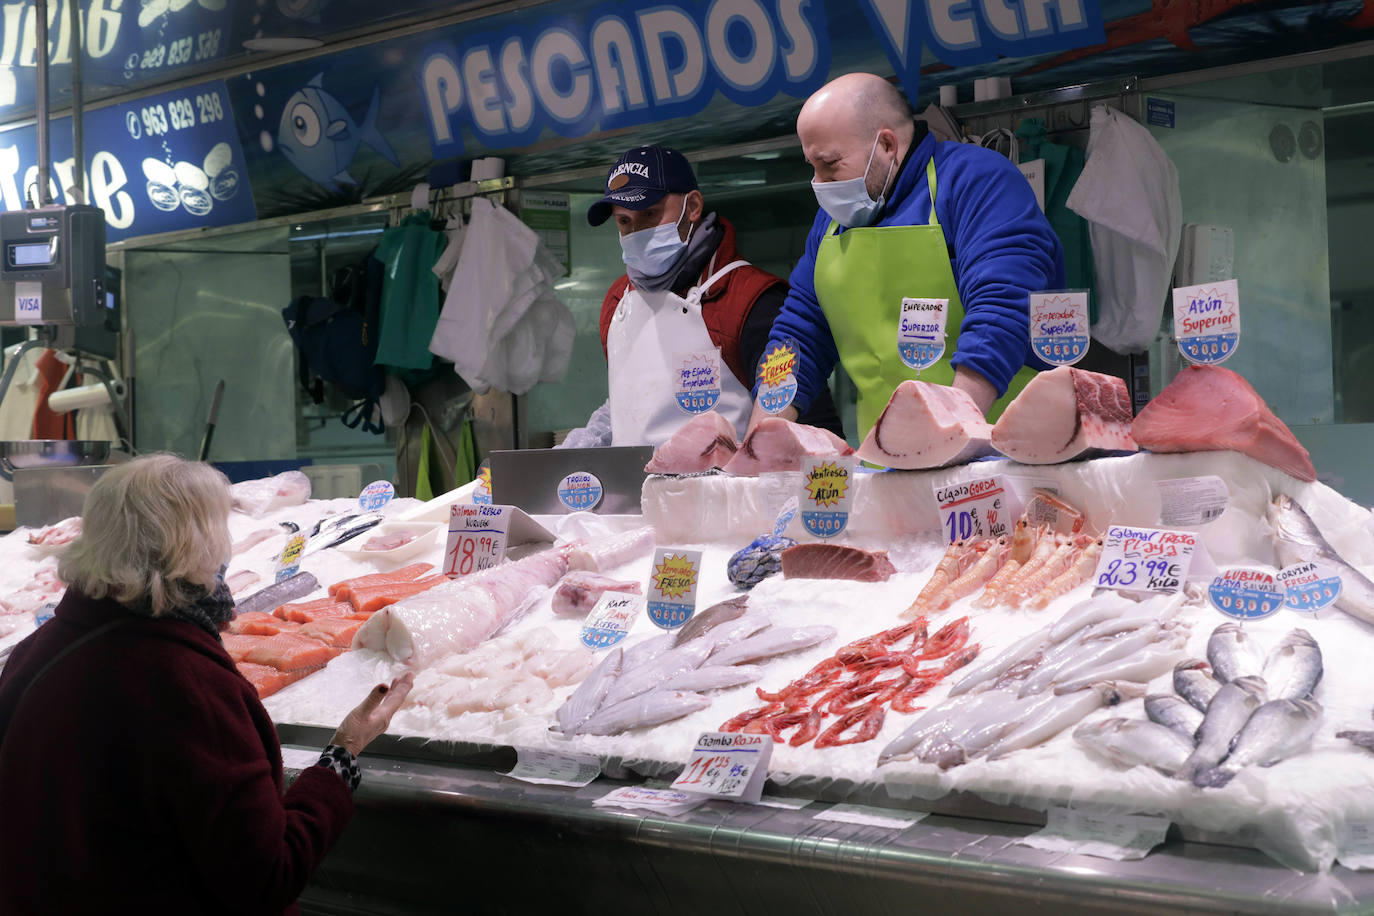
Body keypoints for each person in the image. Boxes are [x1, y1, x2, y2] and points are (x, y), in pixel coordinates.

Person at [0, 454, 414, 914]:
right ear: (191, 546)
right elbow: (266, 875)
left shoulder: (34, 652)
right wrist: (343, 755)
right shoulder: (182, 684)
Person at [751, 72, 1066, 440]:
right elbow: (798, 336)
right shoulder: (830, 222)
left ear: (887, 145)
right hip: (888, 462)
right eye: (813, 168)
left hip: (1001, 450)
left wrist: (949, 437)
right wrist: (758, 443)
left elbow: (1000, 311)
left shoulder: (976, 181)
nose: (819, 184)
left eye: (831, 164)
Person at [560, 144, 840, 448]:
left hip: (728, 493)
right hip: (635, 492)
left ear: (692, 206)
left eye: (650, 214)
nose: (636, 232)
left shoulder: (752, 299)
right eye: (624, 222)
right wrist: (586, 444)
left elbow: (814, 421)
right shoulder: (618, 301)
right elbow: (632, 400)